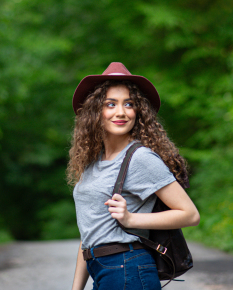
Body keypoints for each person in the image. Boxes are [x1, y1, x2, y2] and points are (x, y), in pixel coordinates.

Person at [69, 62, 200, 290]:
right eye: (111, 104)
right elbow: (88, 233)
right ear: (95, 111)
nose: (121, 112)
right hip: (101, 271)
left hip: (128, 269)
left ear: (138, 111)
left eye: (129, 104)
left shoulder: (140, 158)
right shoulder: (93, 163)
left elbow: (190, 215)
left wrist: (131, 219)